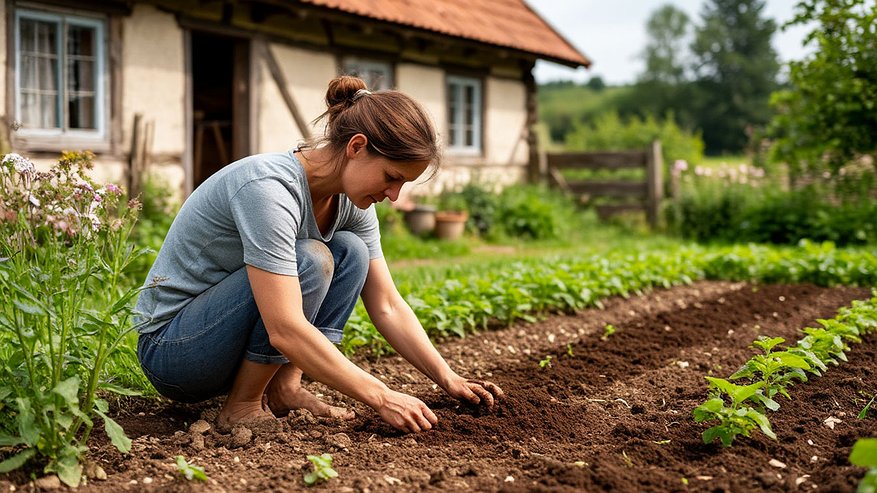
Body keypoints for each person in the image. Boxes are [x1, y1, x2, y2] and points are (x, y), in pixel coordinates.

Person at [134, 75, 503, 433]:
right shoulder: (269, 188)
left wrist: (447, 377)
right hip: (173, 351)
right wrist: (382, 397)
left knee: (350, 251)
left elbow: (387, 304)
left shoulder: (353, 205)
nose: (393, 195)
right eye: (391, 177)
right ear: (356, 147)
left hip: (222, 343)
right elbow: (284, 327)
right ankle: (242, 406)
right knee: (310, 259)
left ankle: (284, 387)